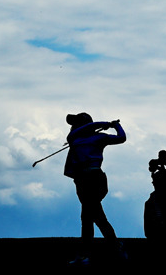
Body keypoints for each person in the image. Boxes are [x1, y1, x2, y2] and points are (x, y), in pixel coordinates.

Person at [63, 112, 127, 262]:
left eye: (76, 123)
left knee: (87, 216)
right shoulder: (74, 138)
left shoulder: (99, 138)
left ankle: (86, 254)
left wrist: (117, 125)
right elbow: (83, 130)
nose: (73, 126)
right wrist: (103, 123)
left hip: (95, 178)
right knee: (94, 216)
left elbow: (122, 138)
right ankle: (116, 247)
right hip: (81, 180)